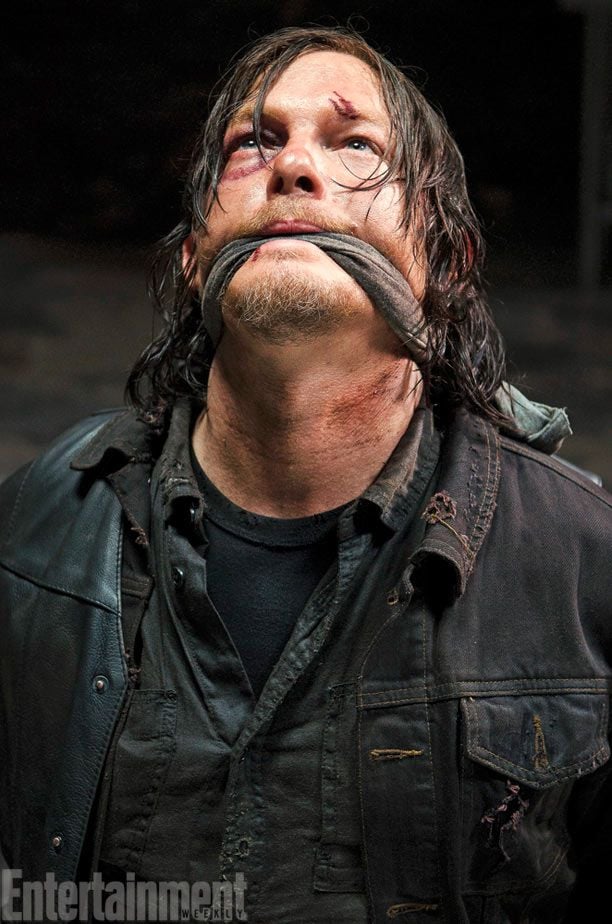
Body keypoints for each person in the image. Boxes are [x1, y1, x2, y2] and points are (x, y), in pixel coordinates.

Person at [1, 25, 610, 924]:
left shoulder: (584, 564)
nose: (292, 167)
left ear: (444, 263)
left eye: (355, 144)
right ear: (194, 255)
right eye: (254, 143)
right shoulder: (38, 525)